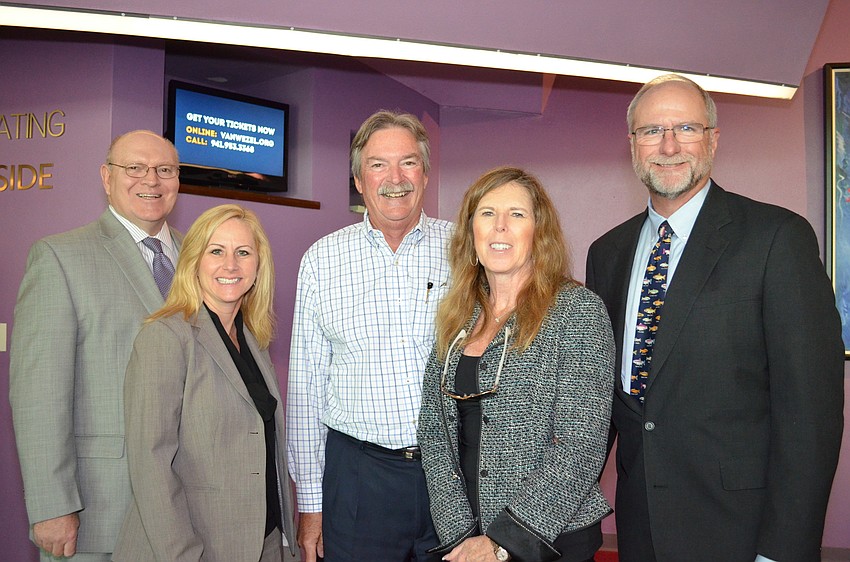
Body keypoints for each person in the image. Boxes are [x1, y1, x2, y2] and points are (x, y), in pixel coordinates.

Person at [585, 74, 845, 562]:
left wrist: (783, 551)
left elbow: (811, 415)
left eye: (686, 128)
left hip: (741, 533)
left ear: (713, 139)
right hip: (640, 527)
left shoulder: (777, 239)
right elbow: (604, 400)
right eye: (651, 131)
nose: (668, 145)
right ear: (633, 144)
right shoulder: (608, 252)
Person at [418, 166, 615, 562]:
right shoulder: (456, 316)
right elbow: (433, 431)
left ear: (538, 234)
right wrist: (461, 532)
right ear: (471, 236)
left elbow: (581, 446)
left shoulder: (577, 311)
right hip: (467, 535)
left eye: (517, 214)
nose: (500, 227)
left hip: (550, 539)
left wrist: (501, 542)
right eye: (487, 214)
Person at [287, 110, 452, 561]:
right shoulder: (321, 261)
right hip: (360, 477)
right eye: (378, 164)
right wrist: (311, 504)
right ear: (359, 180)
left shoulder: (465, 249)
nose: (395, 178)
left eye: (409, 162)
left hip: (453, 474)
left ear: (426, 173)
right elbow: (306, 389)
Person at [9, 130, 181, 561]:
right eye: (135, 168)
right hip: (102, 507)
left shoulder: (202, 258)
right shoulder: (59, 258)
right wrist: (52, 505)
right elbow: (38, 395)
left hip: (188, 505)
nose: (152, 180)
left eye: (165, 170)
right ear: (107, 177)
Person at [113, 204, 299, 561]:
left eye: (243, 253)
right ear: (193, 261)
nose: (230, 265)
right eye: (216, 251)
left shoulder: (253, 340)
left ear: (258, 268)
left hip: (262, 543)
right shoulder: (166, 337)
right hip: (194, 547)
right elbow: (151, 468)